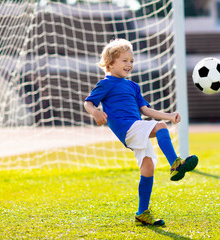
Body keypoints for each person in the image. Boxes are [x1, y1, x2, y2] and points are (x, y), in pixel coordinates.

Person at [84, 38, 198, 226]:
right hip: (126, 128)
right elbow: (88, 102)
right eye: (124, 61)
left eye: (131, 61)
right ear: (110, 63)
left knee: (148, 167)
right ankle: (175, 163)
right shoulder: (106, 84)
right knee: (160, 127)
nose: (129, 64)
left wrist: (169, 116)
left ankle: (142, 212)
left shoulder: (132, 86)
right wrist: (95, 112)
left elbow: (145, 110)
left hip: (136, 127)